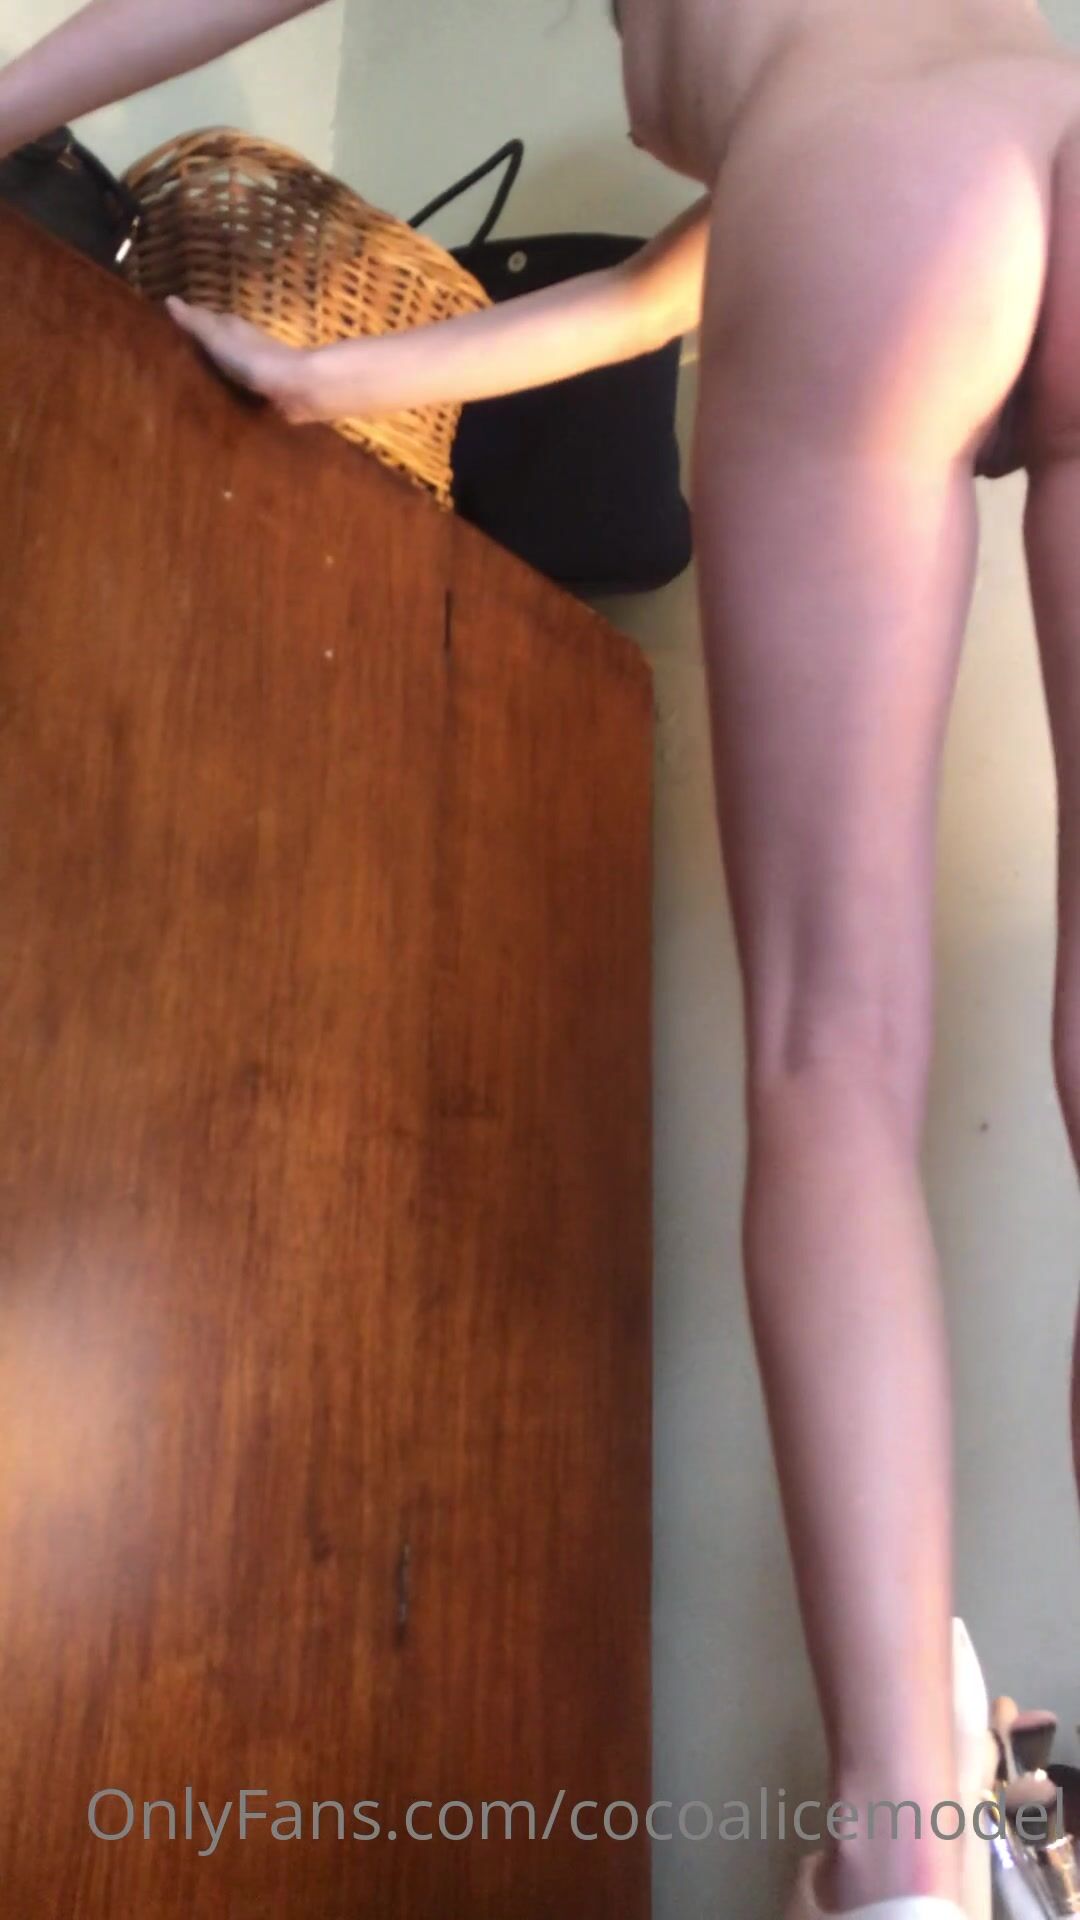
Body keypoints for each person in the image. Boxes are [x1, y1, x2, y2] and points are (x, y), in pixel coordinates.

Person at [3, 2, 1079, 1915]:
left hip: (870, 184)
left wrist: (12, 102)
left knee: (831, 1054)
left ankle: (901, 1843)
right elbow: (665, 286)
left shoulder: (820, 93)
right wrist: (340, 382)